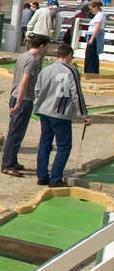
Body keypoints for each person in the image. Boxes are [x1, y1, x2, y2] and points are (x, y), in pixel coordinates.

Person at [33, 43, 90, 186]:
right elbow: (77, 94)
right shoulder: (71, 70)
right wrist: (84, 115)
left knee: (45, 143)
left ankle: (42, 176)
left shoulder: (46, 70)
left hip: (44, 111)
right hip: (61, 113)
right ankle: (56, 178)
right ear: (69, 55)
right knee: (64, 146)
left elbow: (37, 90)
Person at [0, 34, 46, 177]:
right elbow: (24, 82)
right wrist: (19, 102)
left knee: (16, 131)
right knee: (16, 133)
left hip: (16, 96)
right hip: (23, 99)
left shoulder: (23, 56)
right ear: (41, 46)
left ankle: (12, 160)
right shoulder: (32, 60)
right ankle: (7, 165)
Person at [84, 1, 106, 74]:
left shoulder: (99, 15)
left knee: (91, 55)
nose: (91, 11)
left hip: (94, 36)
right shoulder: (99, 15)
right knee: (92, 55)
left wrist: (92, 38)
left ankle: (91, 72)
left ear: (96, 7)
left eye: (91, 9)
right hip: (94, 35)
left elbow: (97, 27)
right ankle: (92, 72)